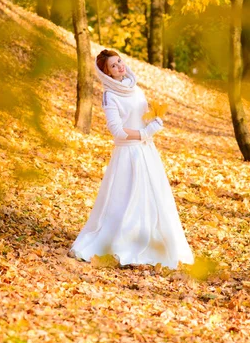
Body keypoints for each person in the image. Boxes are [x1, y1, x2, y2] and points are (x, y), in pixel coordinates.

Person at [68, 49, 194, 269]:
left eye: (120, 61)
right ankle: (120, 242)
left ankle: (156, 243)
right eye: (113, 66)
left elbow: (142, 117)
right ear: (106, 73)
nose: (120, 67)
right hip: (128, 153)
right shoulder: (110, 95)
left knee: (154, 198)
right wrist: (144, 133)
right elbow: (116, 130)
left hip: (147, 152)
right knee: (124, 199)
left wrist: (154, 122)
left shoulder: (135, 88)